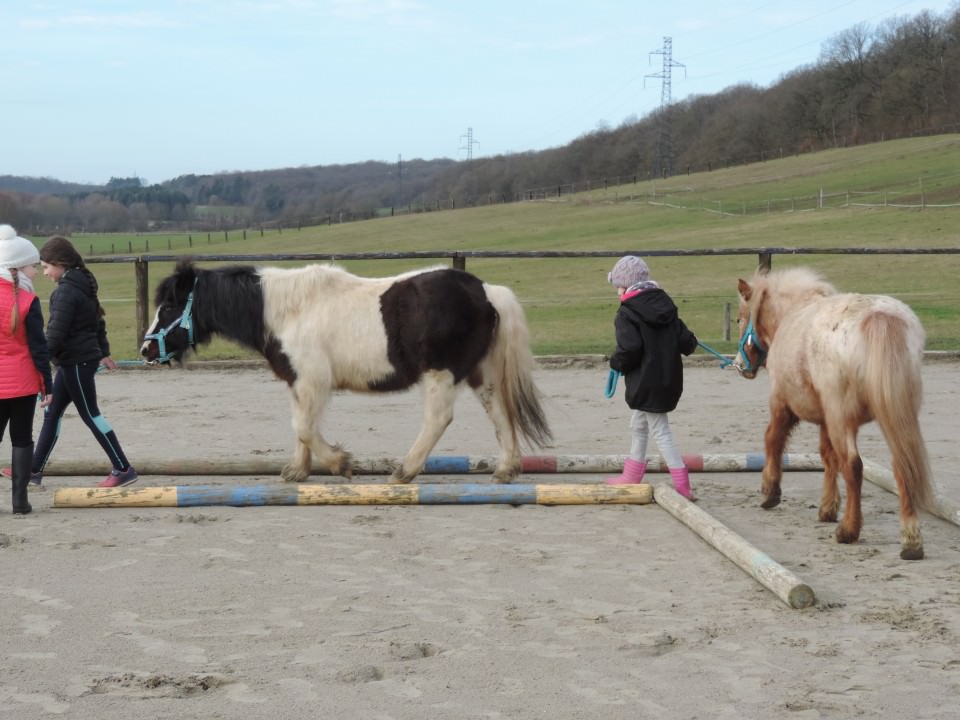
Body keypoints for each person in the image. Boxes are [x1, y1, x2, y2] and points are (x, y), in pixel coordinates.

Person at [31, 236, 136, 488]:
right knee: (52, 413)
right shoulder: (81, 284)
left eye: (46, 267)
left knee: (90, 415)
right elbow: (98, 320)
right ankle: (32, 471)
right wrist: (105, 351)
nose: (44, 272)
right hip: (72, 362)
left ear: (60, 263)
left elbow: (55, 335)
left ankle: (123, 468)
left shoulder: (66, 291)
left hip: (77, 362)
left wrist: (38, 363)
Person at [605, 255, 698, 499]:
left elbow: (629, 349)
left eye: (618, 288)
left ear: (627, 286)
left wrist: (616, 363)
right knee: (637, 423)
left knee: (660, 429)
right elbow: (687, 342)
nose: (617, 293)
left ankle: (682, 483)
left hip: (645, 381)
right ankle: (633, 474)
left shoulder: (627, 313)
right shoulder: (666, 306)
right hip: (668, 380)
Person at [0, 225, 53, 514]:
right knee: (22, 439)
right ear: (18, 268)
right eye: (32, 266)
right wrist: (48, 383)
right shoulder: (28, 301)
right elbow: (38, 347)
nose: (35, 271)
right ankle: (20, 501)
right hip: (22, 384)